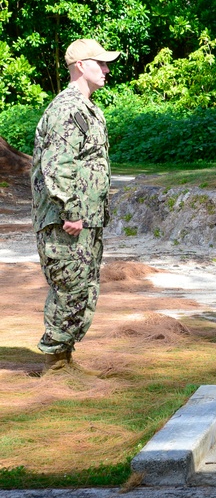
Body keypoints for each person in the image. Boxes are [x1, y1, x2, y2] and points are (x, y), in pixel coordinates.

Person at [32, 39, 120, 374]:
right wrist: (71, 212)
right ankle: (55, 364)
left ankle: (64, 359)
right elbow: (57, 166)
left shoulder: (86, 108)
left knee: (82, 287)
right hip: (66, 222)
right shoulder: (67, 109)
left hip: (84, 221)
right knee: (69, 287)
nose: (107, 70)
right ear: (81, 65)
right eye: (101, 63)